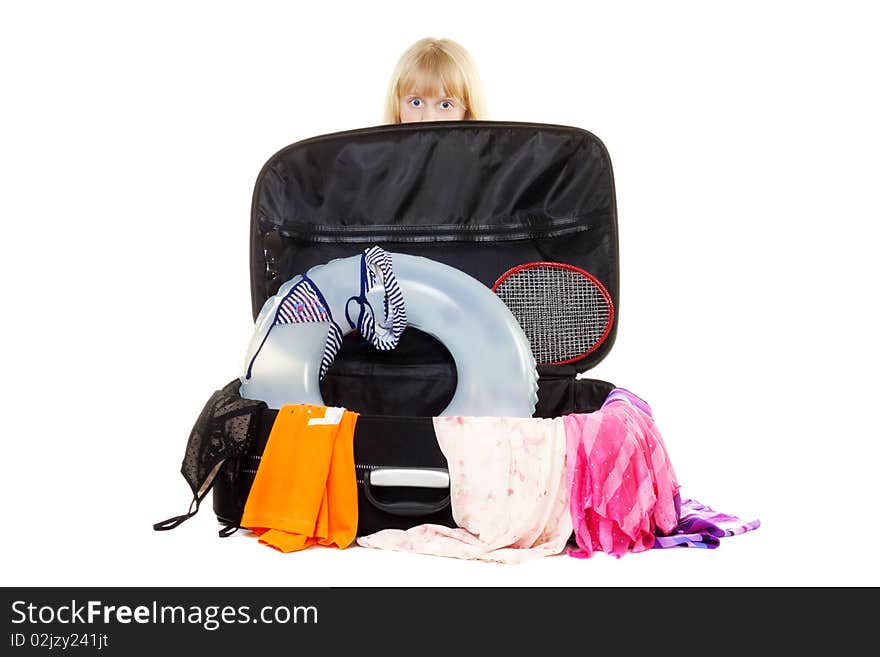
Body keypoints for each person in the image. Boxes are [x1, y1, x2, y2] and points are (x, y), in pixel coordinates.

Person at [383, 37, 487, 124]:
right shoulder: (377, 148)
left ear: (467, 110)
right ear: (397, 106)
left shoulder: (493, 148)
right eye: (416, 102)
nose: (428, 119)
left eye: (445, 105)